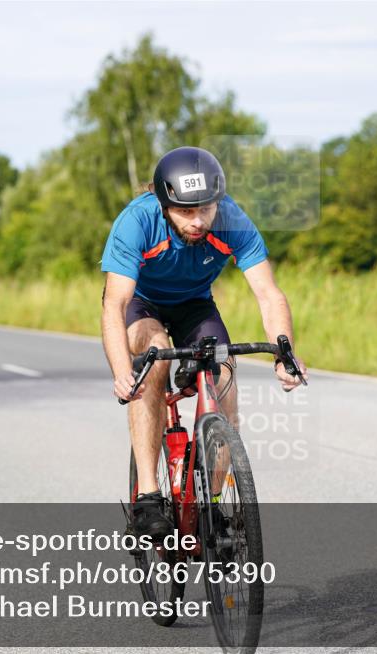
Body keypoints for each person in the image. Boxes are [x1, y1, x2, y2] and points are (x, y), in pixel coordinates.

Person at [100, 146, 307, 538]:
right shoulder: (136, 222)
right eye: (186, 211)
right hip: (142, 305)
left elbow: (268, 294)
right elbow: (116, 304)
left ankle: (212, 505)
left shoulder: (232, 219)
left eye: (205, 209)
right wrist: (123, 371)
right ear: (164, 205)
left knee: (225, 367)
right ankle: (148, 495)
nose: (198, 221)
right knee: (154, 357)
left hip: (195, 304)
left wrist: (285, 352)